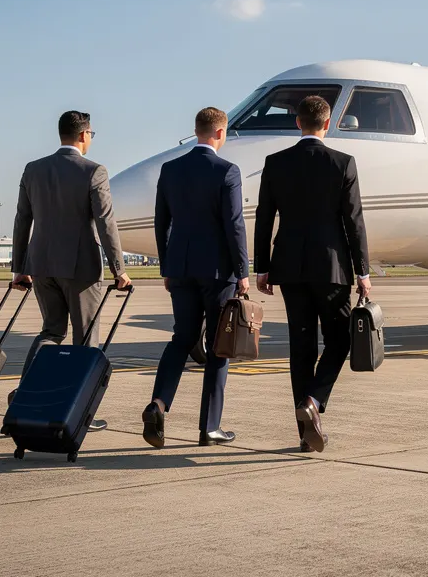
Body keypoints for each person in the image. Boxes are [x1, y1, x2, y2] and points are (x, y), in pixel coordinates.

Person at [254, 95, 371, 453]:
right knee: (340, 341)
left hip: (289, 267)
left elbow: (264, 217)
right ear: (328, 123)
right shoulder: (343, 163)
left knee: (301, 347)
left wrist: (262, 267)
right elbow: (354, 221)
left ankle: (305, 435)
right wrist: (363, 271)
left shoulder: (276, 163)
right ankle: (313, 401)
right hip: (332, 268)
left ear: (297, 123)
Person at [11, 110, 131, 432]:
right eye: (91, 134)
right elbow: (105, 222)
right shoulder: (94, 171)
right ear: (83, 135)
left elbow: (22, 220)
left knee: (51, 332)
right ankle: (79, 412)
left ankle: (24, 393)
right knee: (86, 339)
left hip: (40, 265)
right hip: (80, 269)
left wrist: (19, 268)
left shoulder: (33, 169)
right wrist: (119, 269)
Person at [142, 107, 249, 448]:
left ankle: (158, 404)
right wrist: (243, 271)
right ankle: (209, 427)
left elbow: (161, 222)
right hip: (217, 272)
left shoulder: (170, 169)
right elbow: (234, 224)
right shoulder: (227, 171)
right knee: (219, 347)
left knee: (181, 339)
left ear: (197, 130)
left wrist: (167, 267)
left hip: (180, 268)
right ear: (220, 133)